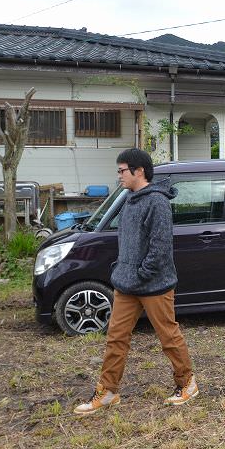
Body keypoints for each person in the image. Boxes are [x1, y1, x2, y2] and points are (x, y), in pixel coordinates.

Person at [74, 148, 198, 415]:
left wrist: (142, 272)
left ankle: (187, 383)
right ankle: (107, 392)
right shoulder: (129, 198)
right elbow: (129, 242)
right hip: (126, 283)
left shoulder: (157, 201)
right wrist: (124, 269)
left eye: (122, 170)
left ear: (138, 171)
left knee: (168, 336)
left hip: (154, 283)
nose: (118, 175)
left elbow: (161, 246)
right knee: (115, 337)